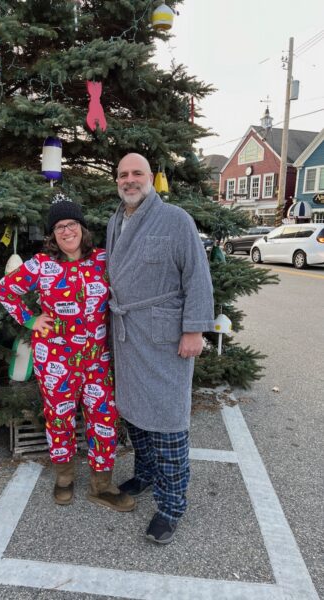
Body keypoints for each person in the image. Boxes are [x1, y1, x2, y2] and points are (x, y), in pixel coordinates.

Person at [0, 193, 135, 512]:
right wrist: (30, 319)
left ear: (82, 228)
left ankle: (101, 486)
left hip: (96, 361)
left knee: (104, 418)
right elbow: (4, 290)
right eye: (58, 226)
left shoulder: (103, 260)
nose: (66, 230)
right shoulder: (41, 266)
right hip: (54, 361)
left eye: (71, 223)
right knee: (60, 420)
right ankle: (64, 479)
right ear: (52, 235)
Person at [106, 153, 215, 544]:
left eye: (137, 173)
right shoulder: (115, 220)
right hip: (127, 333)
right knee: (135, 413)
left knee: (168, 421)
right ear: (116, 180)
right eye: (123, 174)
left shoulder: (175, 220)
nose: (129, 180)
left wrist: (194, 329)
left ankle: (172, 505)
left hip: (165, 336)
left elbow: (198, 277)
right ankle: (147, 474)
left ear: (151, 178)